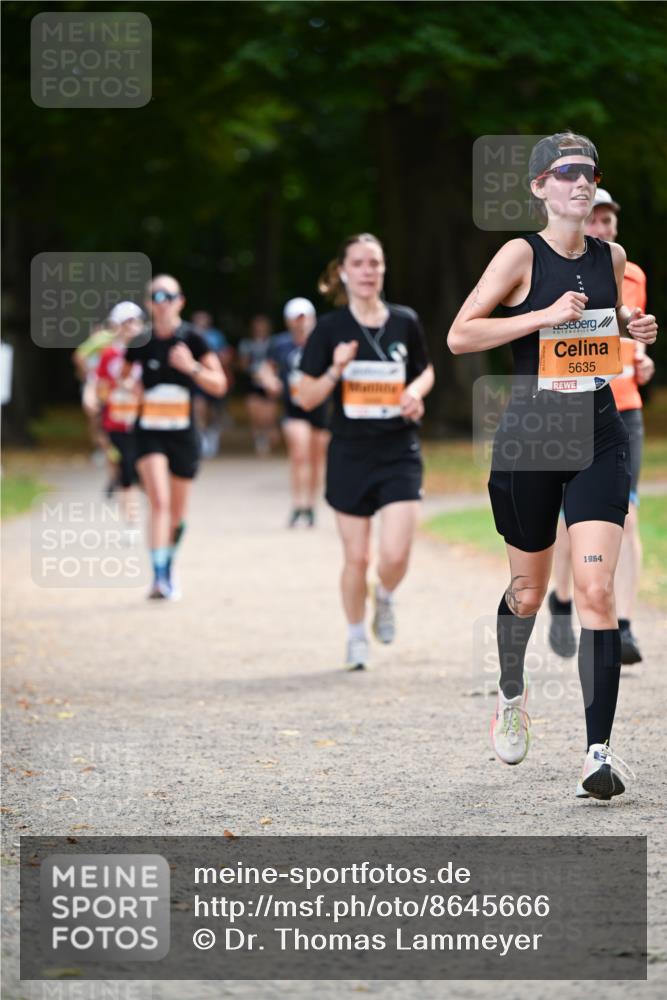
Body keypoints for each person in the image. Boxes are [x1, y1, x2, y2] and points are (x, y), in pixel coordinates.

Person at [447, 133, 657, 800]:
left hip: (598, 433)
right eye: (566, 172)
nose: (580, 182)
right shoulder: (519, 254)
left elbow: (597, 330)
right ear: (539, 186)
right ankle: (511, 693)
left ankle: (598, 754)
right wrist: (540, 315)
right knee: (528, 590)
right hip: (532, 438)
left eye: (588, 172)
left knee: (595, 591)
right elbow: (460, 334)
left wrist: (628, 329)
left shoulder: (611, 256)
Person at [297, 233, 434, 670]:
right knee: (357, 557)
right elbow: (305, 397)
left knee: (395, 555)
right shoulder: (328, 329)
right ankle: (356, 635)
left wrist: (414, 392)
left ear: (383, 268)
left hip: (399, 450)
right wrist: (336, 368)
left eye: (374, 263)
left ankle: (385, 595)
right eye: (358, 263)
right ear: (343, 272)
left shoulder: (405, 321)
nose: (367, 271)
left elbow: (425, 370)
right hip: (350, 453)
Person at [547, 189, 655, 664]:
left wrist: (642, 358)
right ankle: (561, 598)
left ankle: (624, 625)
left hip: (623, 407)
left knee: (625, 515)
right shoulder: (556, 269)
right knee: (569, 517)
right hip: (570, 406)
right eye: (596, 218)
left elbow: (629, 334)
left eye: (609, 219)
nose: (603, 227)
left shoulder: (632, 274)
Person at [124, 275, 227, 599]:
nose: (163, 302)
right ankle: (157, 576)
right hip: (149, 432)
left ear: (180, 301)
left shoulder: (193, 339)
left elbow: (219, 385)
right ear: (148, 303)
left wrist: (191, 367)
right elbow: (123, 381)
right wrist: (129, 388)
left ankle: (169, 565)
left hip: (182, 433)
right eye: (156, 296)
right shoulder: (140, 341)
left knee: (178, 513)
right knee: (159, 501)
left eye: (169, 296)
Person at [258, 297, 330, 527]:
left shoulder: (324, 342)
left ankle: (311, 505)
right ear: (289, 321)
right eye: (297, 319)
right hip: (294, 407)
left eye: (305, 318)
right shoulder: (280, 344)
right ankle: (297, 504)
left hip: (320, 407)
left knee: (317, 459)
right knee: (299, 454)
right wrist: (270, 381)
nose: (301, 323)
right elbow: (265, 368)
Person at [95, 302, 144, 536]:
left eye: (135, 322)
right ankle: (131, 521)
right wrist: (117, 389)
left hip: (146, 418)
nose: (131, 328)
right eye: (126, 323)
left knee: (146, 468)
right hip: (117, 420)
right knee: (127, 469)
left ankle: (160, 516)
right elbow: (101, 388)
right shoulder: (109, 355)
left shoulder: (148, 350)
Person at [190, 310, 234, 457]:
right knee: (199, 407)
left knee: (214, 411)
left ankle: (212, 433)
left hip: (213, 377)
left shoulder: (216, 336)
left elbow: (225, 355)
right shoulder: (189, 335)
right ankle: (202, 437)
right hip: (197, 378)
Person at [237, 314, 279, 455]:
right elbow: (243, 364)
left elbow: (277, 362)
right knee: (255, 414)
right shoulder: (246, 344)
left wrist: (269, 375)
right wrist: (254, 372)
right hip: (253, 382)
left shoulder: (273, 343)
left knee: (268, 415)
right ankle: (259, 439)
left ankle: (267, 436)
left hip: (269, 382)